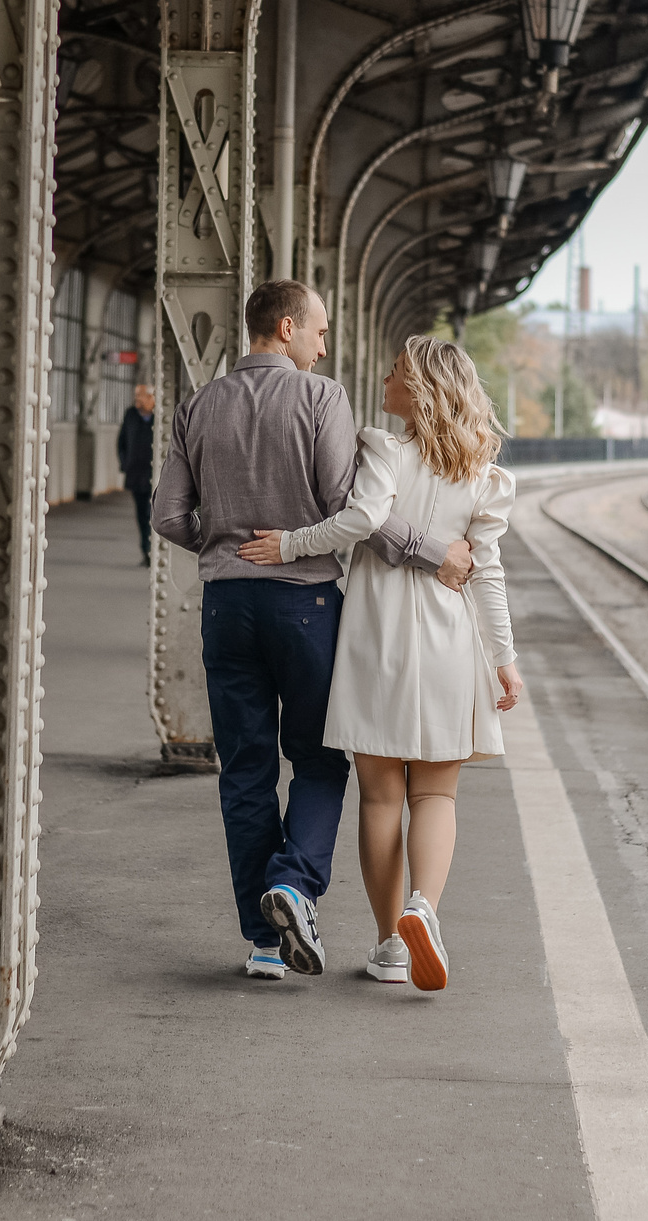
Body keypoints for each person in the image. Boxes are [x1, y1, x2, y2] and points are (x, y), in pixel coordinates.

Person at [151, 280, 474, 982]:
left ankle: (264, 944)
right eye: (320, 333)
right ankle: (294, 884)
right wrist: (434, 552)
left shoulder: (198, 405)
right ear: (289, 327)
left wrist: (224, 542)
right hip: (305, 606)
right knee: (320, 760)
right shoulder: (321, 397)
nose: (324, 347)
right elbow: (350, 508)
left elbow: (169, 517)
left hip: (226, 607)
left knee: (243, 769)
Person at [237, 335, 522, 993]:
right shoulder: (485, 474)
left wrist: (290, 545)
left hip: (375, 641)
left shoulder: (384, 450)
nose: (386, 380)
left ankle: (392, 941)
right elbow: (488, 574)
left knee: (382, 796)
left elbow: (362, 518)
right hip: (450, 642)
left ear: (416, 392)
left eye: (395, 373)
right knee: (436, 793)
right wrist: (505, 660)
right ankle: (425, 905)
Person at [118, 383, 156, 562]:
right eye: (136, 396)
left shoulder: (161, 417)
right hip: (135, 474)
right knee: (141, 514)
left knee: (153, 514)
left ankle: (154, 552)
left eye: (141, 396)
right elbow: (122, 442)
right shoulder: (131, 415)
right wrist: (125, 464)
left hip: (155, 476)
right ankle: (146, 551)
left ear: (152, 398)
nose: (137, 399)